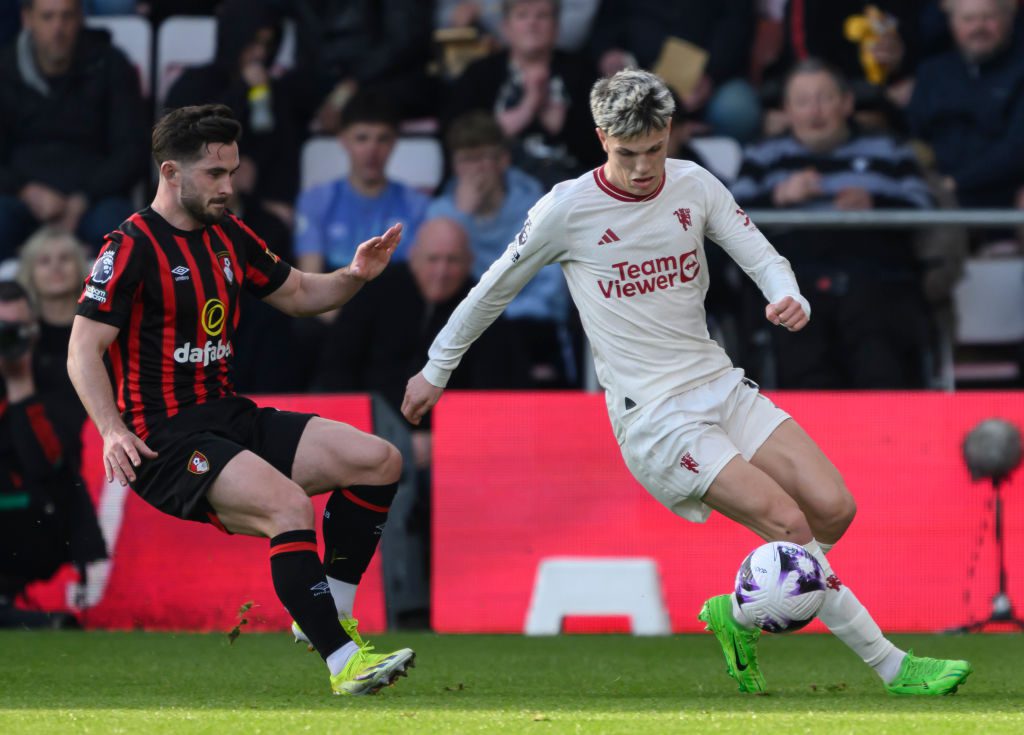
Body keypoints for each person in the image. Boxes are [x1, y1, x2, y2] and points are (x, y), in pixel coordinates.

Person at [402, 69, 973, 696]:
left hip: (719, 383)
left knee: (834, 508)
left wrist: (787, 295)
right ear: (601, 139)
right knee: (787, 523)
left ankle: (740, 610)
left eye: (654, 149)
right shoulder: (565, 210)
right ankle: (893, 667)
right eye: (628, 153)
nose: (644, 167)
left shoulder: (694, 184)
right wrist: (436, 370)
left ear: (668, 132)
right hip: (653, 417)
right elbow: (489, 293)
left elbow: (758, 253)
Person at [68, 104, 414, 696]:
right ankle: (342, 662)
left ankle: (326, 612)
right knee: (287, 507)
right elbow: (82, 351)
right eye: (215, 174)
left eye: (232, 171)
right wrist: (110, 428)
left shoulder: (228, 234)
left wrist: (356, 274)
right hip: (167, 439)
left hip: (229, 416)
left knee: (379, 461)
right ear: (172, 173)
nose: (228, 186)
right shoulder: (128, 246)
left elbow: (301, 293)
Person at [731, 59, 935, 389]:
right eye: (802, 102)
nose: (815, 112)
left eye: (825, 98)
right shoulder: (762, 155)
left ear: (847, 103)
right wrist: (778, 197)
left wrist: (875, 205)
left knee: (879, 352)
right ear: (786, 110)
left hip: (876, 276)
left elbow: (925, 208)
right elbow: (726, 220)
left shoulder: (889, 148)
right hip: (794, 277)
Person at [426, 111, 573, 388]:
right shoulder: (442, 214)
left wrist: (496, 318)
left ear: (503, 160)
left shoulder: (537, 207)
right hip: (463, 328)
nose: (475, 170)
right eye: (465, 160)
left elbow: (551, 287)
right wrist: (462, 218)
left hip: (528, 323)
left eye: (482, 158)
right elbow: (435, 286)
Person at [0, 0, 147, 256]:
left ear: (80, 18)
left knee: (120, 231)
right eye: (48, 17)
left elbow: (132, 151)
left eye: (66, 16)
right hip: (19, 197)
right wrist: (25, 191)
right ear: (27, 19)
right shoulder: (4, 69)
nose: (58, 27)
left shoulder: (111, 65)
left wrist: (83, 200)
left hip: (95, 199)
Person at [0, 280, 106, 629]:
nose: (10, 341)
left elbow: (47, 464)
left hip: (39, 520)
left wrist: (20, 387)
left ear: (35, 330)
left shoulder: (61, 373)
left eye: (19, 331)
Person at [165, 0, 301, 231]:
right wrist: (240, 92)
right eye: (253, 43)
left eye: (267, 44)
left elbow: (284, 148)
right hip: (193, 199)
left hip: (254, 205)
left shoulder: (275, 92)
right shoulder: (194, 84)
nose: (260, 53)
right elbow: (185, 139)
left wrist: (269, 193)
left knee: (275, 230)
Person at [446, 0, 603, 189]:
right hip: (494, 185)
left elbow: (600, 147)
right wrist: (528, 108)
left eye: (542, 16)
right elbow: (459, 138)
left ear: (556, 27)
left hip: (569, 184)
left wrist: (562, 124)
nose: (532, 23)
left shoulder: (583, 73)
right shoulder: (479, 74)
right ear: (505, 27)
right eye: (522, 15)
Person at [294, 91, 430, 276]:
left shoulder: (418, 205)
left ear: (394, 142)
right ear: (343, 140)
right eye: (362, 138)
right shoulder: (316, 200)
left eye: (382, 139)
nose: (372, 150)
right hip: (334, 303)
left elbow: (424, 279)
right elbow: (311, 283)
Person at [907, 0, 1024, 209]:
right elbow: (913, 134)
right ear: (952, 23)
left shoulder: (1020, 71)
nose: (978, 27)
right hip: (936, 192)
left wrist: (957, 182)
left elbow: (1017, 148)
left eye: (989, 18)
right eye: (968, 19)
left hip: (1004, 193)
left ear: (1009, 20)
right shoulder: (932, 72)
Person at [16, 226, 90, 454]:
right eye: (44, 261)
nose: (56, 267)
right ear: (30, 272)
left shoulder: (102, 328)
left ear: (80, 266)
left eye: (65, 258)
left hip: (96, 444)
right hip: (39, 448)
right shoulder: (19, 335)